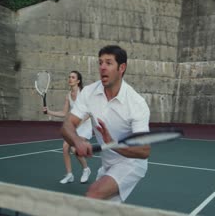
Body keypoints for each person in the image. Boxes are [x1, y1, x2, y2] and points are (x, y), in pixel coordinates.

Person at [61, 45, 151, 202]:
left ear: (121, 68)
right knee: (104, 208)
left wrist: (112, 144)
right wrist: (77, 141)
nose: (102, 67)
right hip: (107, 164)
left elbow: (143, 150)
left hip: (131, 163)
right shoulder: (89, 92)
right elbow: (67, 125)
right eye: (100, 62)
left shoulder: (137, 103)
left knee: (93, 194)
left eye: (108, 63)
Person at [43, 70, 93, 184]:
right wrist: (49, 112)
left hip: (85, 126)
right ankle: (69, 174)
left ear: (78, 81)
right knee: (65, 147)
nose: (70, 79)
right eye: (69, 77)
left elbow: (90, 113)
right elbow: (64, 113)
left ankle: (86, 169)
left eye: (73, 77)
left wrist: (78, 124)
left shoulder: (84, 94)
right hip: (74, 125)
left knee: (75, 149)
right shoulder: (68, 96)